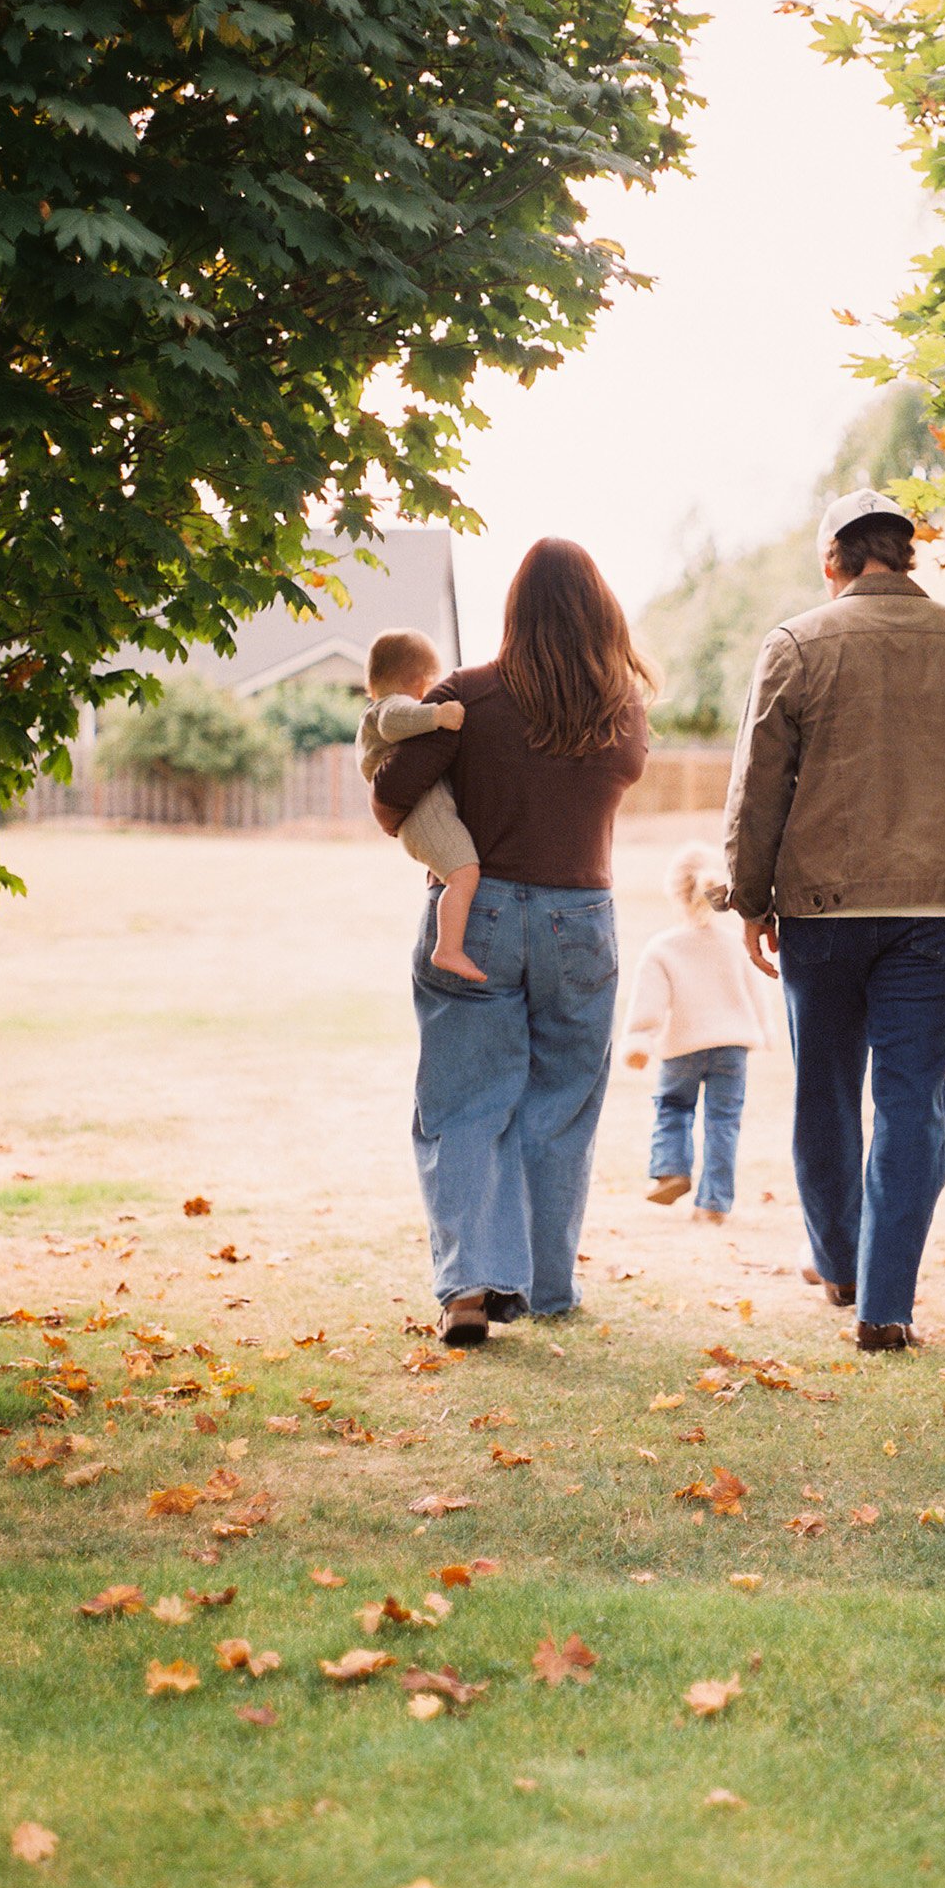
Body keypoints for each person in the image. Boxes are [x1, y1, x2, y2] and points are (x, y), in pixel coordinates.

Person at [722, 487, 945, 1351]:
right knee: (910, 1100)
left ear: (834, 562)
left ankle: (843, 1266)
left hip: (822, 907)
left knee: (824, 1092)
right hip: (937, 907)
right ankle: (885, 1307)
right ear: (906, 553)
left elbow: (757, 784)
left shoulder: (796, 643)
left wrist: (749, 898)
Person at [370, 538, 651, 1347]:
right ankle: (544, 1286)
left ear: (514, 608)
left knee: (464, 1100)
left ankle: (467, 1283)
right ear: (598, 609)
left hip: (478, 912)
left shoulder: (469, 694)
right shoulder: (619, 707)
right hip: (581, 920)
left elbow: (390, 793)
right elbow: (616, 772)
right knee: (560, 1102)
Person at [622, 843, 773, 1225]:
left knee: (673, 1106)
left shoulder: (663, 948)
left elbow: (650, 1004)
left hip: (682, 1047)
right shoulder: (734, 944)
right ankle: (714, 1204)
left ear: (675, 892)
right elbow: (756, 993)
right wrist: (765, 1032)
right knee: (724, 1122)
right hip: (733, 1047)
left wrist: (640, 1040)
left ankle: (672, 1170)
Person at [356, 628, 484, 982]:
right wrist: (437, 715)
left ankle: (448, 945)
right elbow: (393, 720)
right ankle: (448, 949)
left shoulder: (382, 704)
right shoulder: (390, 707)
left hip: (422, 813)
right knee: (463, 873)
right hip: (424, 814)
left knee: (457, 873)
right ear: (419, 683)